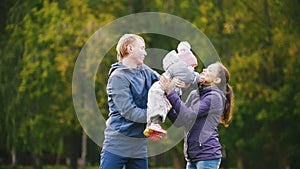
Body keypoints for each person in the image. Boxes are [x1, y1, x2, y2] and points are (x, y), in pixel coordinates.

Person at [99, 34, 159, 169]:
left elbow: (163, 84)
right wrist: (156, 115)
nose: (145, 53)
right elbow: (129, 112)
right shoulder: (118, 77)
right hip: (118, 143)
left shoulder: (145, 70)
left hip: (139, 143)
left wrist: (182, 75)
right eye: (142, 48)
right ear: (130, 48)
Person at [160, 61, 234, 169]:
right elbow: (181, 121)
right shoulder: (195, 94)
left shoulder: (214, 97)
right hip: (193, 157)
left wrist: (171, 93)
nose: (204, 70)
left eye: (210, 70)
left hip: (207, 156)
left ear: (217, 80)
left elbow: (188, 114)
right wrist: (170, 110)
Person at [143, 49, 199, 141]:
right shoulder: (179, 70)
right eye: (192, 66)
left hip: (167, 92)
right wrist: (198, 78)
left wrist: (187, 84)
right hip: (160, 90)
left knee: (158, 106)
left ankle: (151, 127)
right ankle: (154, 124)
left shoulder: (179, 73)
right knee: (158, 105)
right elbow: (192, 77)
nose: (193, 68)